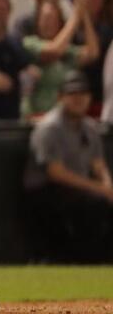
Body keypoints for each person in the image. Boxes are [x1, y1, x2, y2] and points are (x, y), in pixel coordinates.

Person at [24, 70, 113, 262]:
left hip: (78, 190)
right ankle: (85, 260)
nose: (78, 99)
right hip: (46, 191)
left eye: (82, 94)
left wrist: (108, 187)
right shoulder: (49, 127)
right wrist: (99, 189)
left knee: (99, 201)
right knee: (94, 204)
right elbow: (55, 173)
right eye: (72, 94)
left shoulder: (90, 127)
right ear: (60, 97)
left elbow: (98, 165)